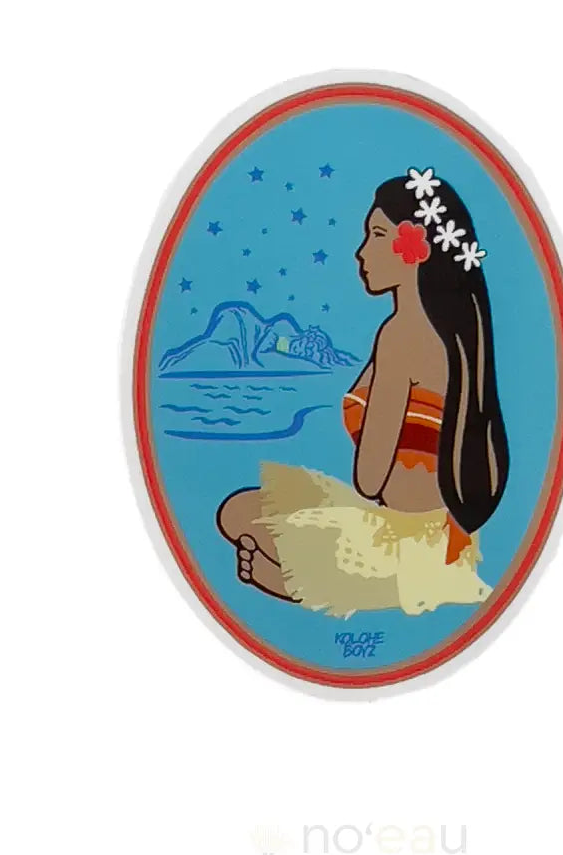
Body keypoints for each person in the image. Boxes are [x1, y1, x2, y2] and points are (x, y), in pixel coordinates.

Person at [217, 167, 508, 617]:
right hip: (444, 536)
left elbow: (369, 479)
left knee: (239, 515)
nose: (361, 251)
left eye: (377, 235)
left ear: (415, 249)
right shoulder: (453, 335)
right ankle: (321, 579)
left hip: (405, 542)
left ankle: (319, 584)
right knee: (245, 513)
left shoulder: (400, 336)